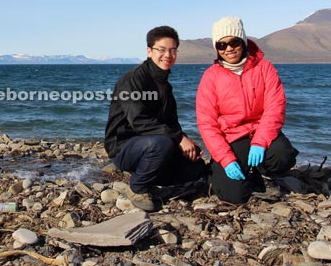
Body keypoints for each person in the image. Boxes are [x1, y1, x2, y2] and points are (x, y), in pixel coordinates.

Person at [196, 16, 299, 204]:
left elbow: (275, 108)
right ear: (216, 49)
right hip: (232, 138)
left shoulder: (265, 68)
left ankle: (266, 174)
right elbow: (207, 124)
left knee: (282, 155)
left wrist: (260, 142)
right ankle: (220, 172)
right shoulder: (210, 77)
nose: (228, 49)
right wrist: (225, 159)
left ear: (243, 41)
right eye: (221, 45)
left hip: (261, 134)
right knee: (234, 196)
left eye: (234, 42)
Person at [105, 26, 206, 211]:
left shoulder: (165, 86)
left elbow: (171, 124)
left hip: (152, 145)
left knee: (195, 166)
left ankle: (151, 178)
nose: (167, 55)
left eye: (172, 50)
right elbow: (138, 121)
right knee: (162, 144)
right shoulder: (133, 80)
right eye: (161, 49)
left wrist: (186, 143)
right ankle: (137, 186)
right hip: (123, 147)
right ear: (149, 51)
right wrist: (178, 138)